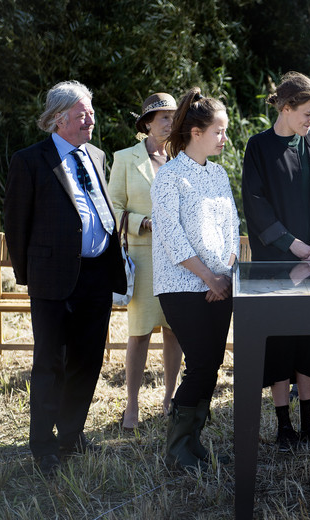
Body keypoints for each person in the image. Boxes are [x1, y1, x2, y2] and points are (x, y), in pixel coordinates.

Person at [4, 80, 127, 474]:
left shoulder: (97, 155)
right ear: (59, 120)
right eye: (81, 114)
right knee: (49, 364)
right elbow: (16, 224)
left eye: (91, 112)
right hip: (52, 279)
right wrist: (31, 278)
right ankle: (42, 446)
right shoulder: (30, 160)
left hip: (96, 274)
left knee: (88, 361)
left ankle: (71, 436)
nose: (90, 119)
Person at [242, 71, 310, 451]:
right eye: (307, 113)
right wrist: (292, 245)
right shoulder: (259, 148)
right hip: (278, 267)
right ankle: (284, 428)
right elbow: (255, 205)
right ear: (285, 108)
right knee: (281, 345)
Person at [151, 87, 240, 470]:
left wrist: (227, 273)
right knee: (202, 363)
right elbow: (172, 236)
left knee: (211, 363)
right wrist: (208, 278)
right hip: (183, 285)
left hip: (221, 283)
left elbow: (232, 226)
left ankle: (193, 443)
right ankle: (177, 450)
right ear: (196, 133)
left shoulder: (218, 173)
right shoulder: (170, 177)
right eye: (219, 131)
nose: (224, 138)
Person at [108, 93, 184, 430]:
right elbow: (112, 208)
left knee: (175, 330)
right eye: (163, 117)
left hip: (180, 259)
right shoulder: (125, 158)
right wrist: (143, 222)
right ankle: (132, 405)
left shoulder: (184, 158)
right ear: (147, 123)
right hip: (143, 256)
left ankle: (170, 399)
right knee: (138, 334)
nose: (169, 122)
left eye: (173, 116)